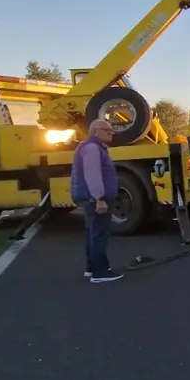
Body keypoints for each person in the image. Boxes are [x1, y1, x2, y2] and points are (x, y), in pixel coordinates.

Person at [70, 119, 123, 283]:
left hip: (92, 198)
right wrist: (99, 198)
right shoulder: (92, 148)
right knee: (99, 234)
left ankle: (91, 268)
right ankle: (100, 273)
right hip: (95, 199)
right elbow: (93, 175)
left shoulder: (92, 147)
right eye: (107, 130)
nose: (112, 132)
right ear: (96, 131)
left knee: (93, 233)